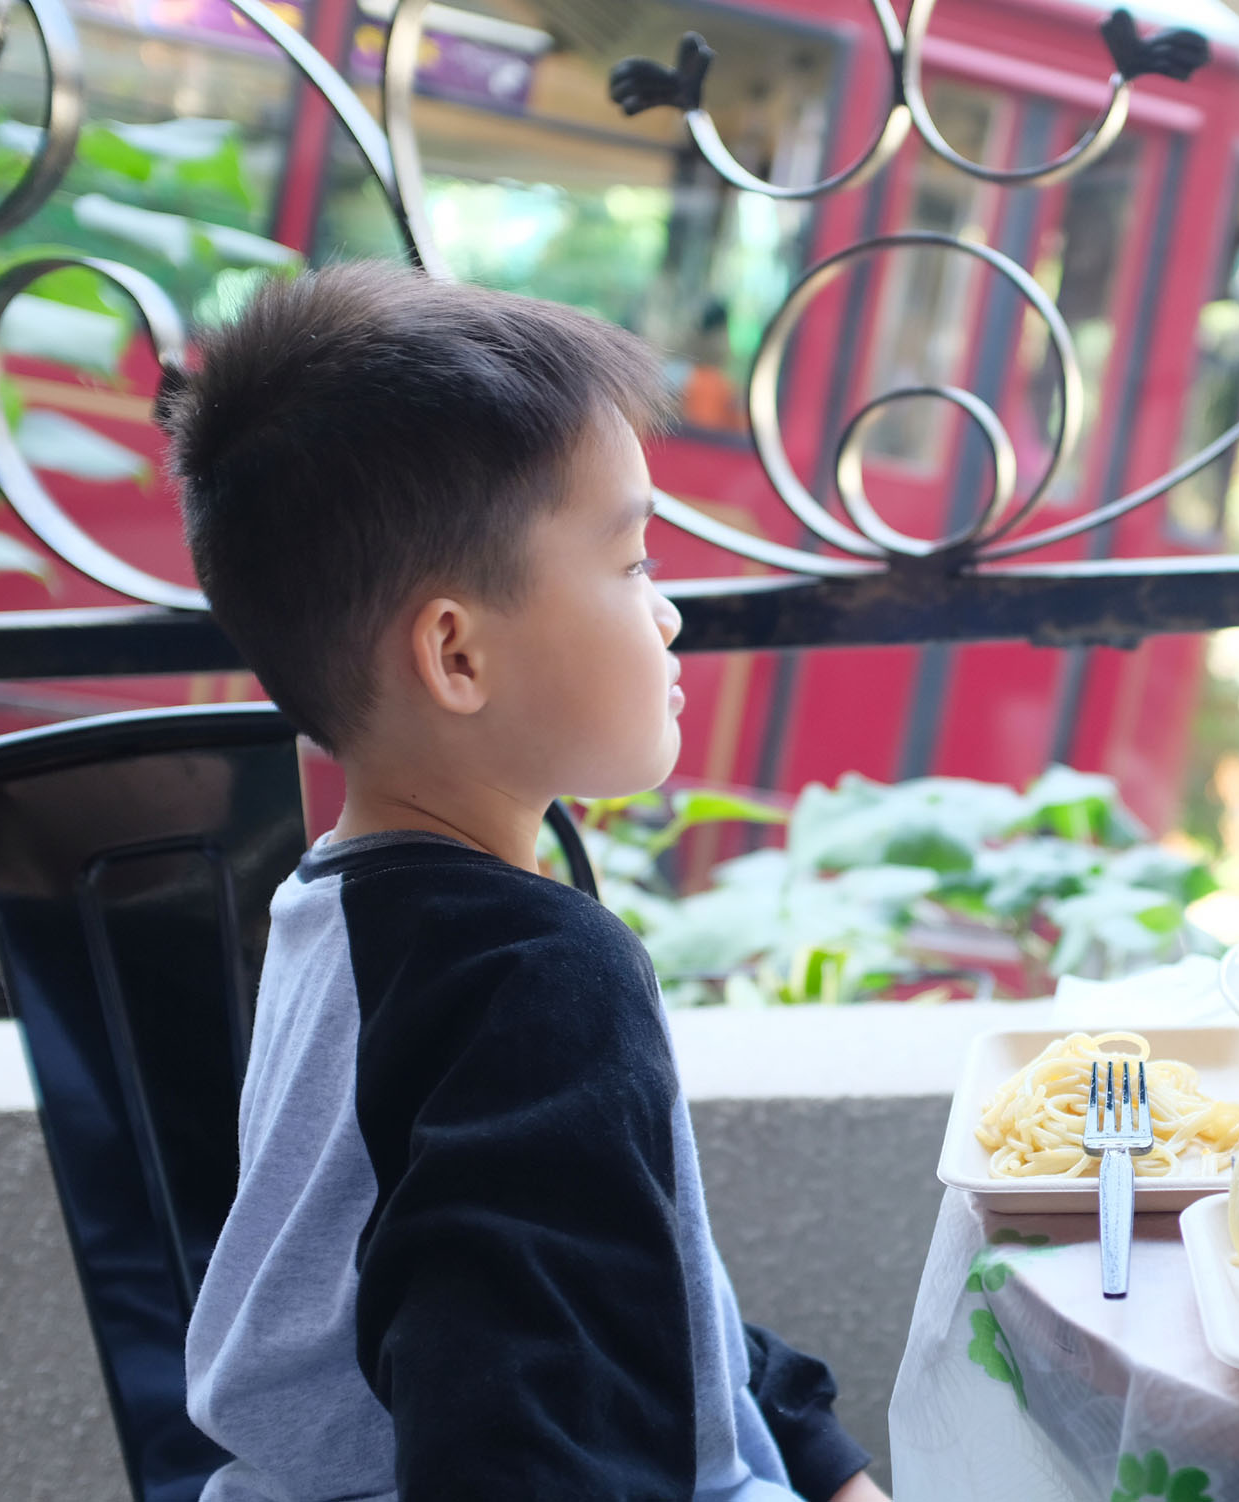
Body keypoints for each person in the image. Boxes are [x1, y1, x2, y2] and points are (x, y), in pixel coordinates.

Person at [157, 262, 887, 1502]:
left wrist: (818, 1455)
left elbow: (638, 1285)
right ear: (455, 652)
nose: (667, 617)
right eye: (631, 563)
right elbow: (527, 1452)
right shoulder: (532, 984)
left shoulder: (334, 912)